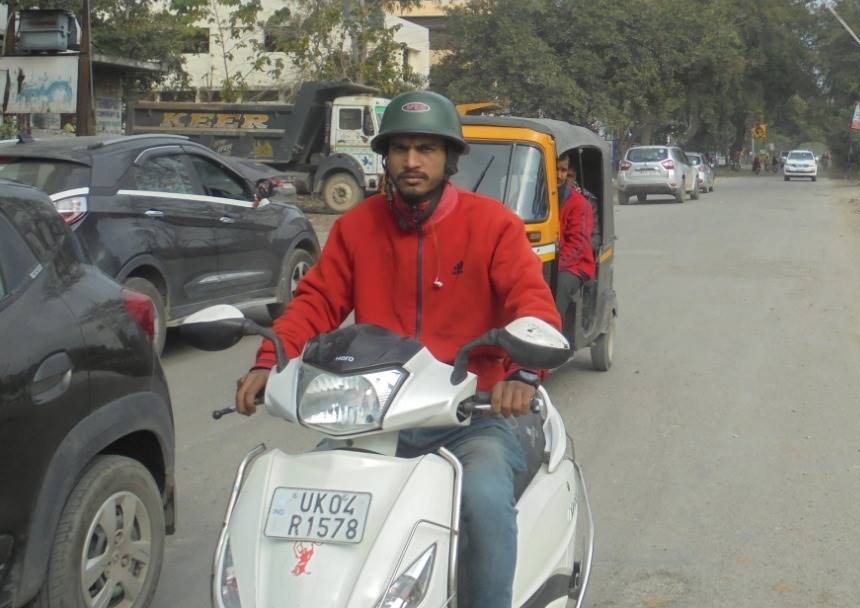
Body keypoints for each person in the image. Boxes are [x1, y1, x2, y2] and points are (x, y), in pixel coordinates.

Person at [234, 90, 561, 608]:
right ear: (384, 157)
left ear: (449, 159)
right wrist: (270, 362)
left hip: (467, 417)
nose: (412, 161)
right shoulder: (357, 227)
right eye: (401, 148)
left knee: (483, 500)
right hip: (373, 417)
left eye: (426, 149)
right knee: (304, 503)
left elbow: (531, 303)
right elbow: (316, 302)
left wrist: (522, 373)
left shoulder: (493, 225)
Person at [555, 153, 597, 347]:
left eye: (564, 171)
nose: (560, 175)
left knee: (560, 284)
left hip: (574, 265)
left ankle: (553, 337)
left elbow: (578, 246)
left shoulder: (580, 204)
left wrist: (554, 267)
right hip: (544, 259)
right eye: (556, 169)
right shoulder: (533, 197)